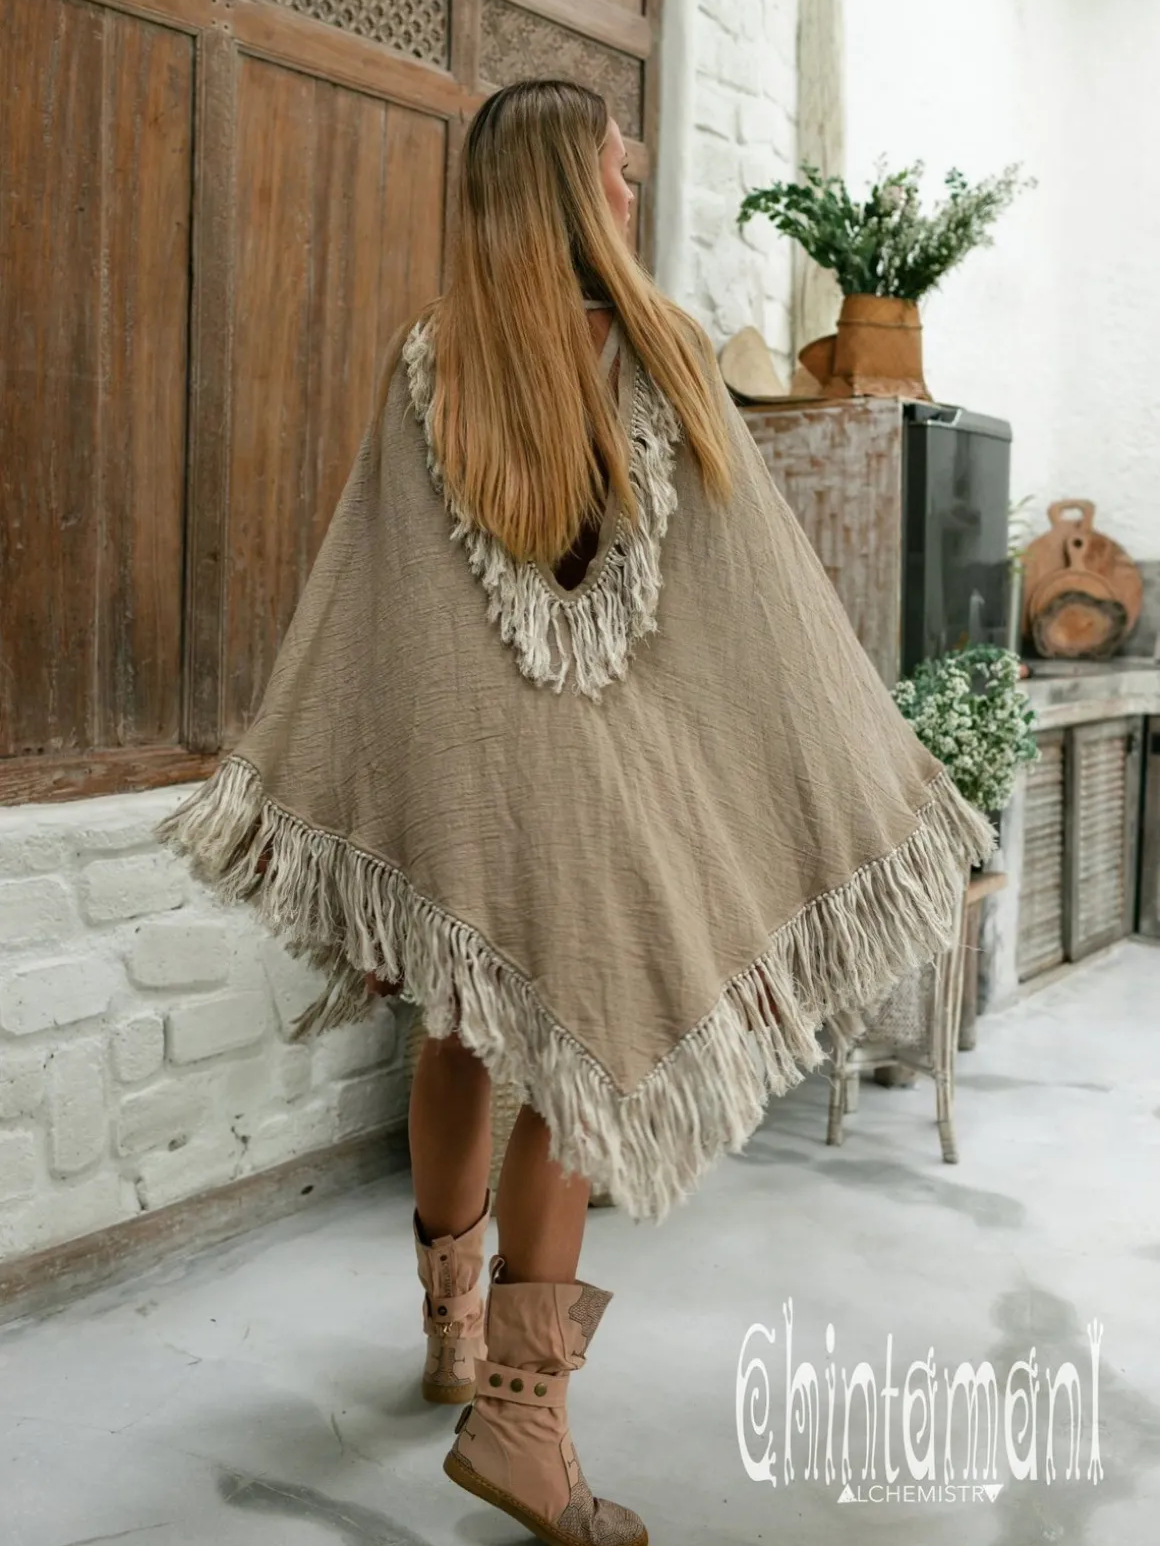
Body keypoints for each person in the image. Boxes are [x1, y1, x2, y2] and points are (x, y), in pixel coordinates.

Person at [158, 80, 993, 1546]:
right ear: (568, 186)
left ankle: (452, 1333)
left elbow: (386, 602)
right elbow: (760, 605)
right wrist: (836, 770)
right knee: (582, 1055)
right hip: (605, 797)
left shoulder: (433, 359)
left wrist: (400, 796)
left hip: (477, 782)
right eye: (615, 165)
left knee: (461, 1027)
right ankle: (524, 1423)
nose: (630, 185)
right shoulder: (661, 347)